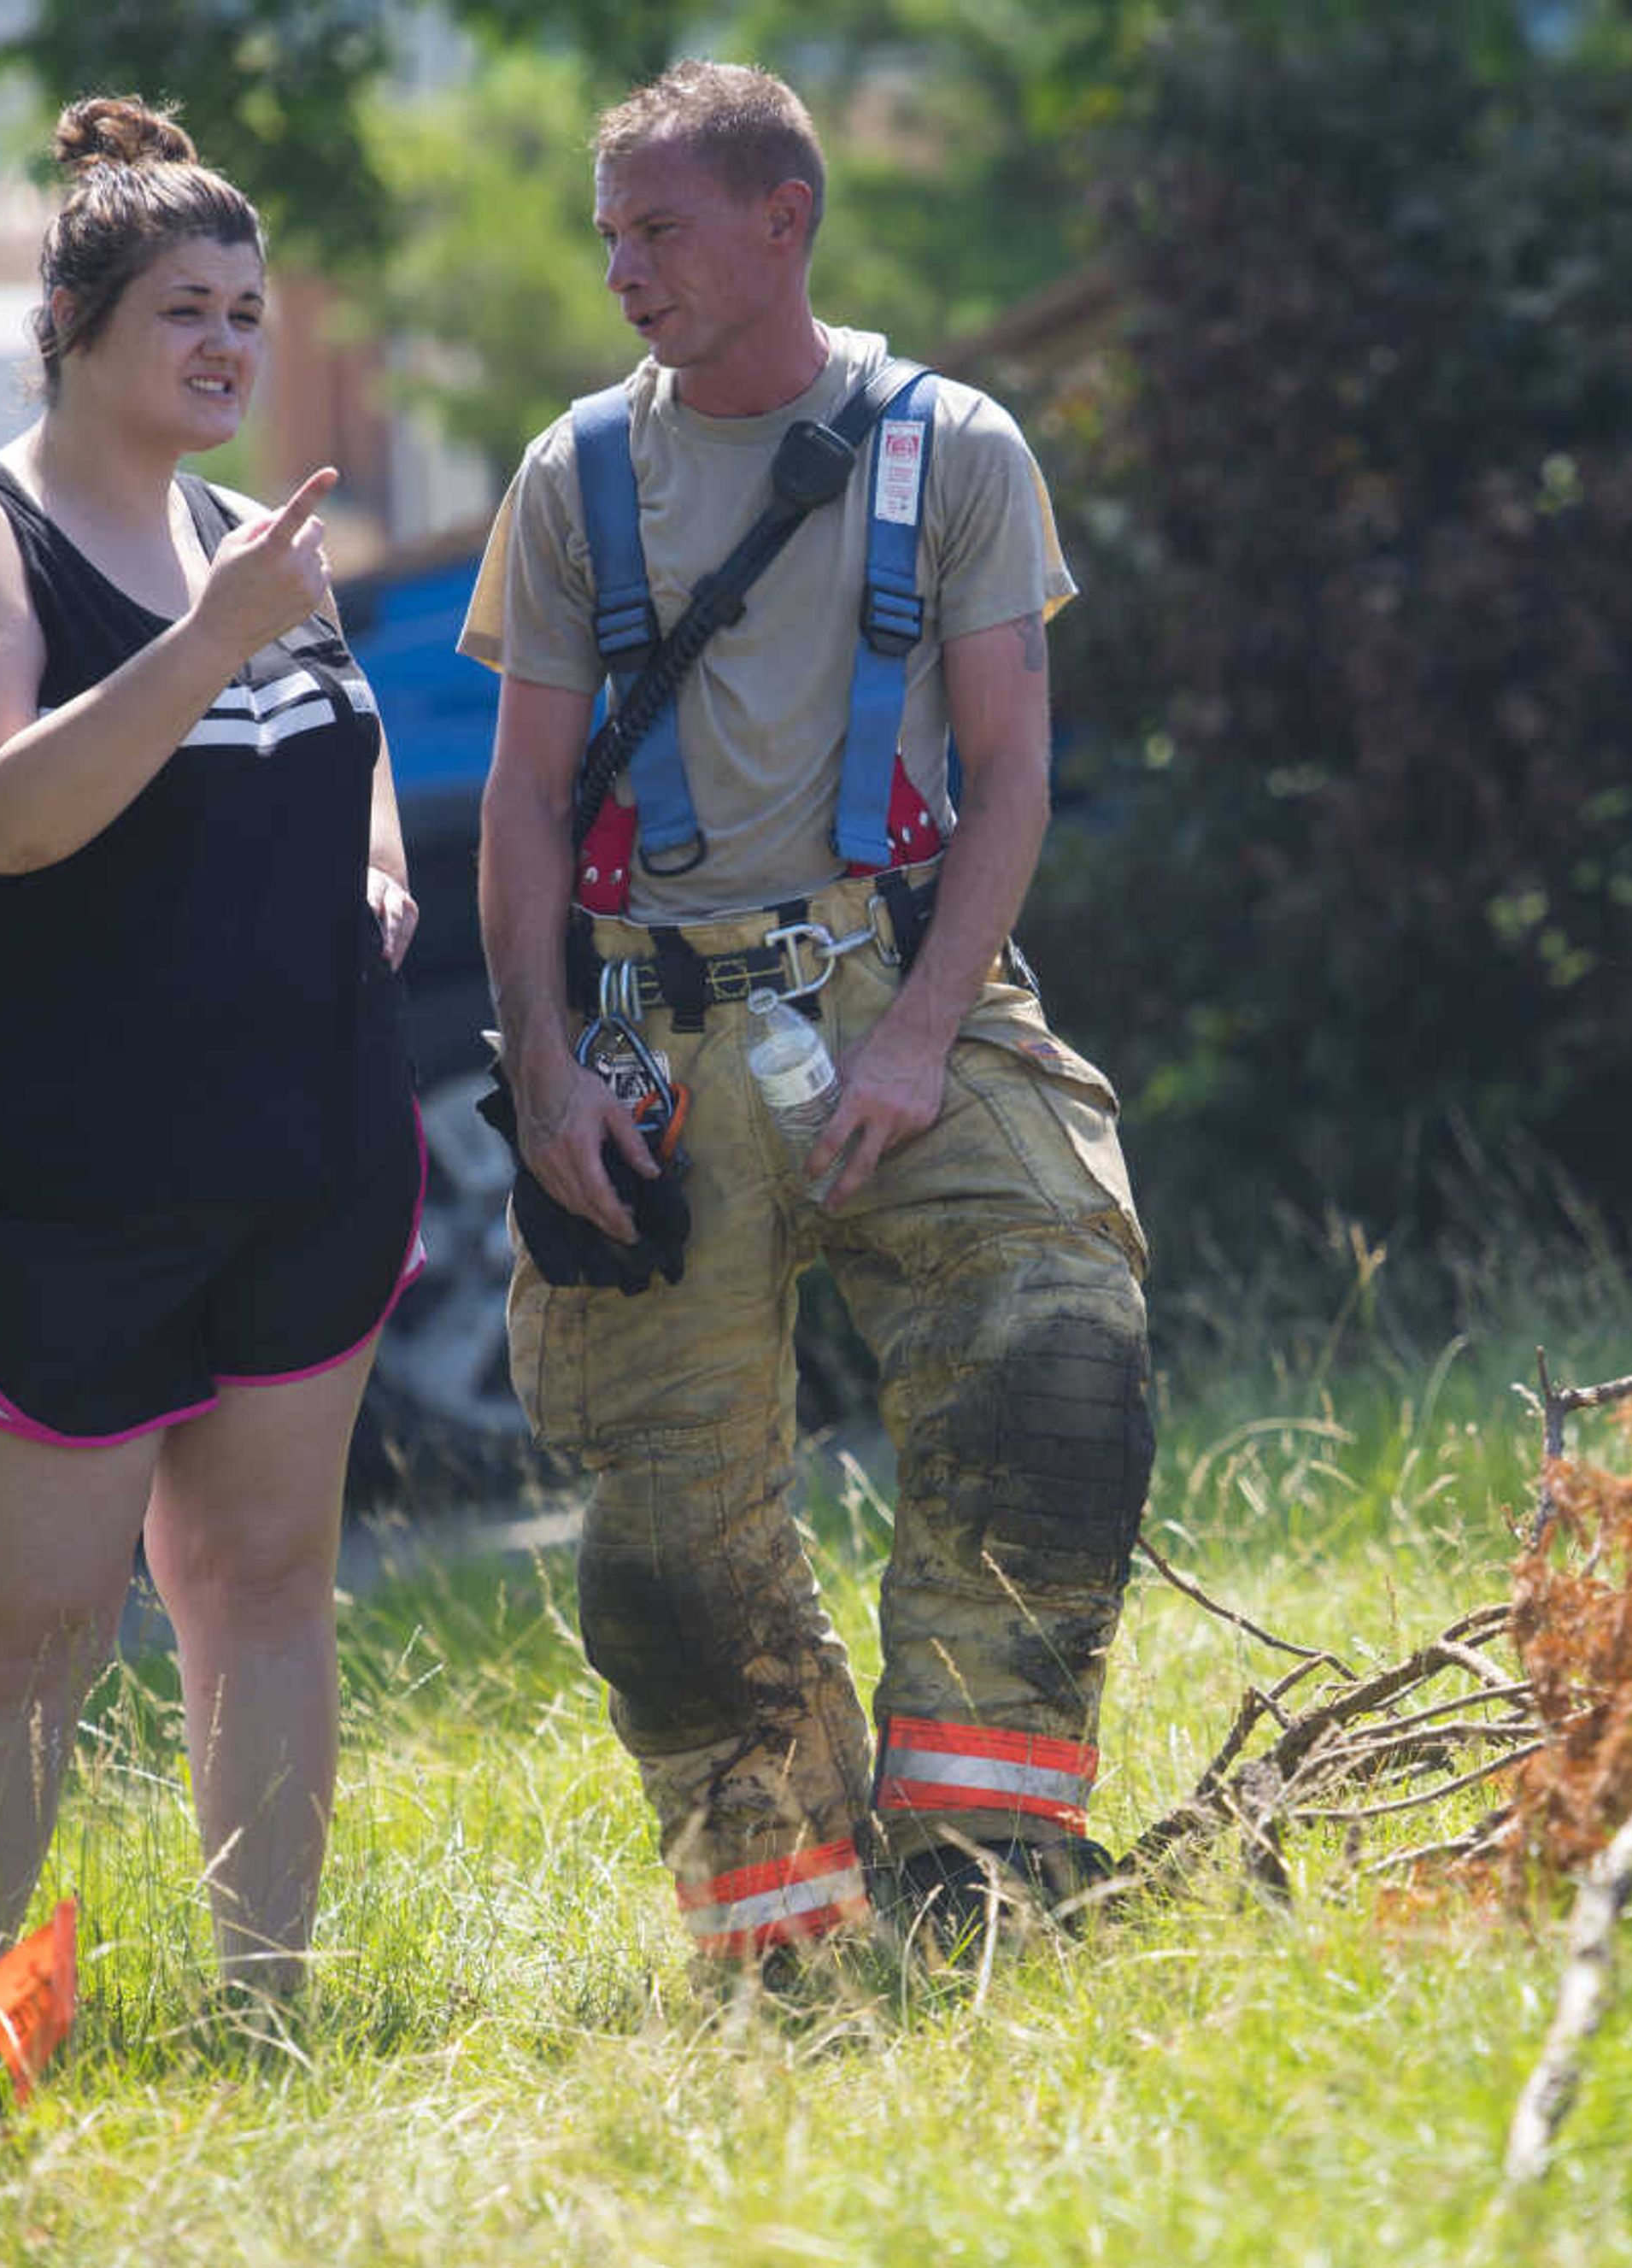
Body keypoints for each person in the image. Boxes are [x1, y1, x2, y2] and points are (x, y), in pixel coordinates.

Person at [463, 59, 1152, 1972]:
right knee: (667, 1563)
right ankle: (789, 1941)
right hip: (650, 1043)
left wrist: (926, 1032)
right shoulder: (573, 474)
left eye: (658, 228)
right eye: (608, 235)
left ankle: (985, 1873)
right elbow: (521, 801)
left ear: (786, 220)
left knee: (1059, 1358)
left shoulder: (959, 450)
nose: (624, 271)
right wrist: (537, 1069)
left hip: (895, 987)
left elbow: (1012, 771)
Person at [0, 95, 420, 2048]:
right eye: (187, 308)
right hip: (49, 1180)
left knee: (264, 1578)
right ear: (74, 319)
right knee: (26, 1635)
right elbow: (2, 816)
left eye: (250, 313)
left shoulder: (246, 547)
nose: (231, 348)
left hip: (299, 1152)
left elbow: (346, 771)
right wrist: (209, 636)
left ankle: (269, 2008)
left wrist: (374, 882)